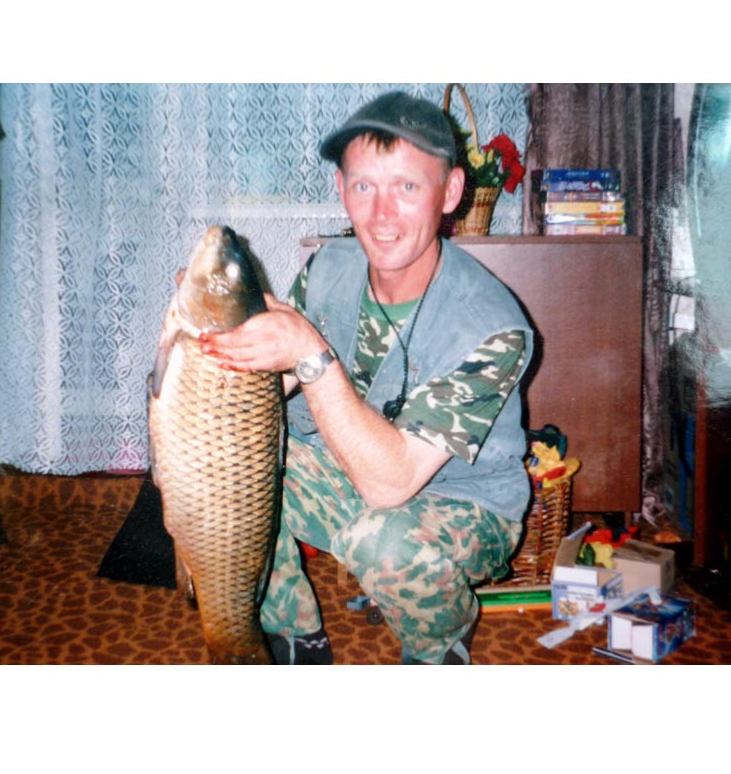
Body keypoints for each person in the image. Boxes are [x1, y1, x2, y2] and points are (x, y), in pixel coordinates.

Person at [199, 90, 534, 664]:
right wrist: (215, 343)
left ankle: (441, 643)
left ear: (451, 191)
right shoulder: (330, 266)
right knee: (221, 462)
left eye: (407, 187)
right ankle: (292, 632)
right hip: (348, 466)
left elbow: (389, 487)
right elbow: (265, 391)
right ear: (341, 189)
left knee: (382, 540)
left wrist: (309, 353)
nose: (381, 215)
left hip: (463, 504)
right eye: (363, 187)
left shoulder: (493, 327)